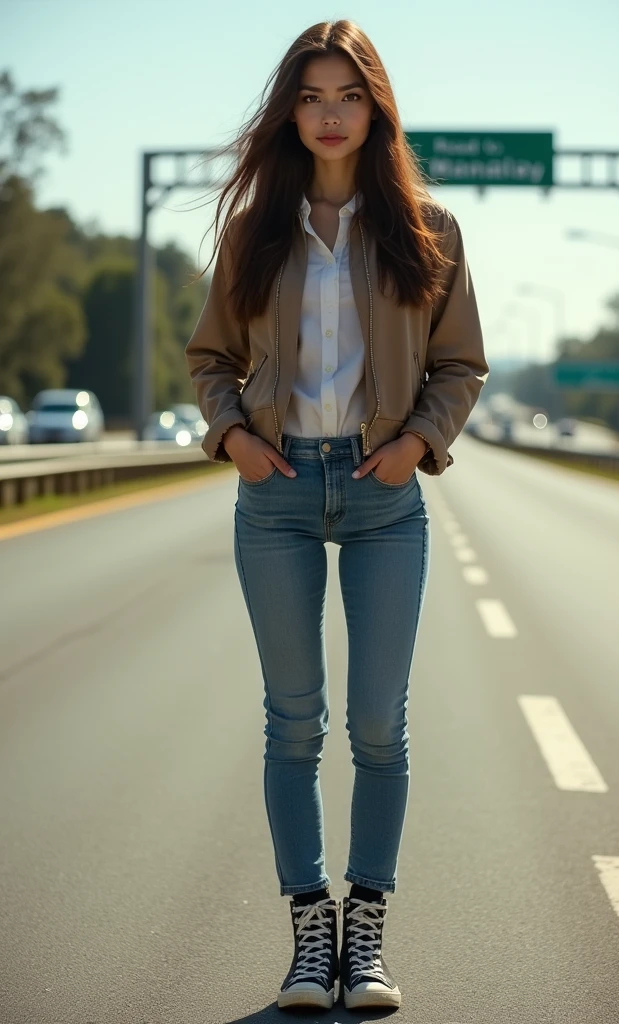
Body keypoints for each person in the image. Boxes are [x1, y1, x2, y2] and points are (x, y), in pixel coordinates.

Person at [185, 19, 488, 1013]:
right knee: (292, 723)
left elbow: (459, 365)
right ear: (290, 111)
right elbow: (209, 359)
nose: (327, 115)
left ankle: (366, 935)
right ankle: (307, 939)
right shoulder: (253, 232)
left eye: (346, 97)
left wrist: (413, 445)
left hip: (380, 492)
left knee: (378, 725)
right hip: (274, 490)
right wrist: (233, 436)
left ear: (376, 109)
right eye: (311, 97)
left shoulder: (428, 230)